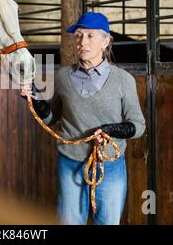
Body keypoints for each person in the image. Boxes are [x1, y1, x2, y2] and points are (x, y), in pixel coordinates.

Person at [21, 12, 145, 225]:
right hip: (70, 162)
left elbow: (139, 126)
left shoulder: (124, 80)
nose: (82, 42)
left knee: (108, 222)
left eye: (90, 36)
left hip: (109, 164)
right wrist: (34, 99)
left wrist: (113, 129)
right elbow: (52, 118)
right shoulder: (62, 77)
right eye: (78, 36)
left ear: (106, 41)